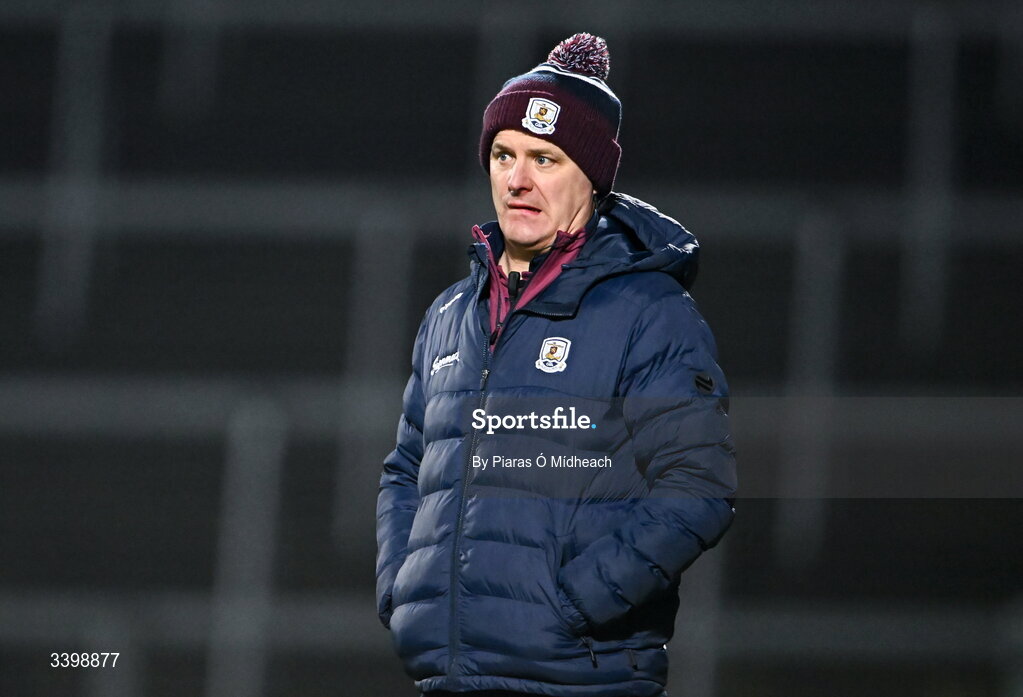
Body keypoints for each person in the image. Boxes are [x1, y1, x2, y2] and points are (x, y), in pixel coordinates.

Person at [376, 32, 737, 697]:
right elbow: (405, 467)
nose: (517, 179)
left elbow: (697, 486)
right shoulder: (451, 314)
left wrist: (571, 604)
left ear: (591, 177)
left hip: (581, 680)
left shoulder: (648, 311)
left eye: (545, 158)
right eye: (503, 154)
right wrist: (402, 587)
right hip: (447, 677)